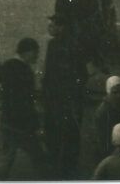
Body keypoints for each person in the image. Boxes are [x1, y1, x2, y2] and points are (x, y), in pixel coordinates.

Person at [42, 16, 88, 179]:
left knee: (54, 132)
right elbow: (82, 74)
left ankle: (53, 164)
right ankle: (68, 168)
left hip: (56, 98)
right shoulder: (76, 43)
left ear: (60, 27)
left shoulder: (54, 45)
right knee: (71, 135)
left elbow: (49, 73)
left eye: (51, 25)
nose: (49, 28)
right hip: (72, 99)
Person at [0, 38, 46, 180]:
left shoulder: (7, 65)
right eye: (35, 53)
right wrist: (35, 123)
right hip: (22, 124)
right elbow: (26, 101)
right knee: (38, 156)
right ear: (27, 52)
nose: (37, 56)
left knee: (7, 157)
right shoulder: (25, 71)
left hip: (8, 119)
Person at [92, 76, 120, 161]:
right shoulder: (103, 112)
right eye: (115, 92)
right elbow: (102, 140)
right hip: (106, 154)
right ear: (108, 92)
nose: (119, 95)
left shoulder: (117, 107)